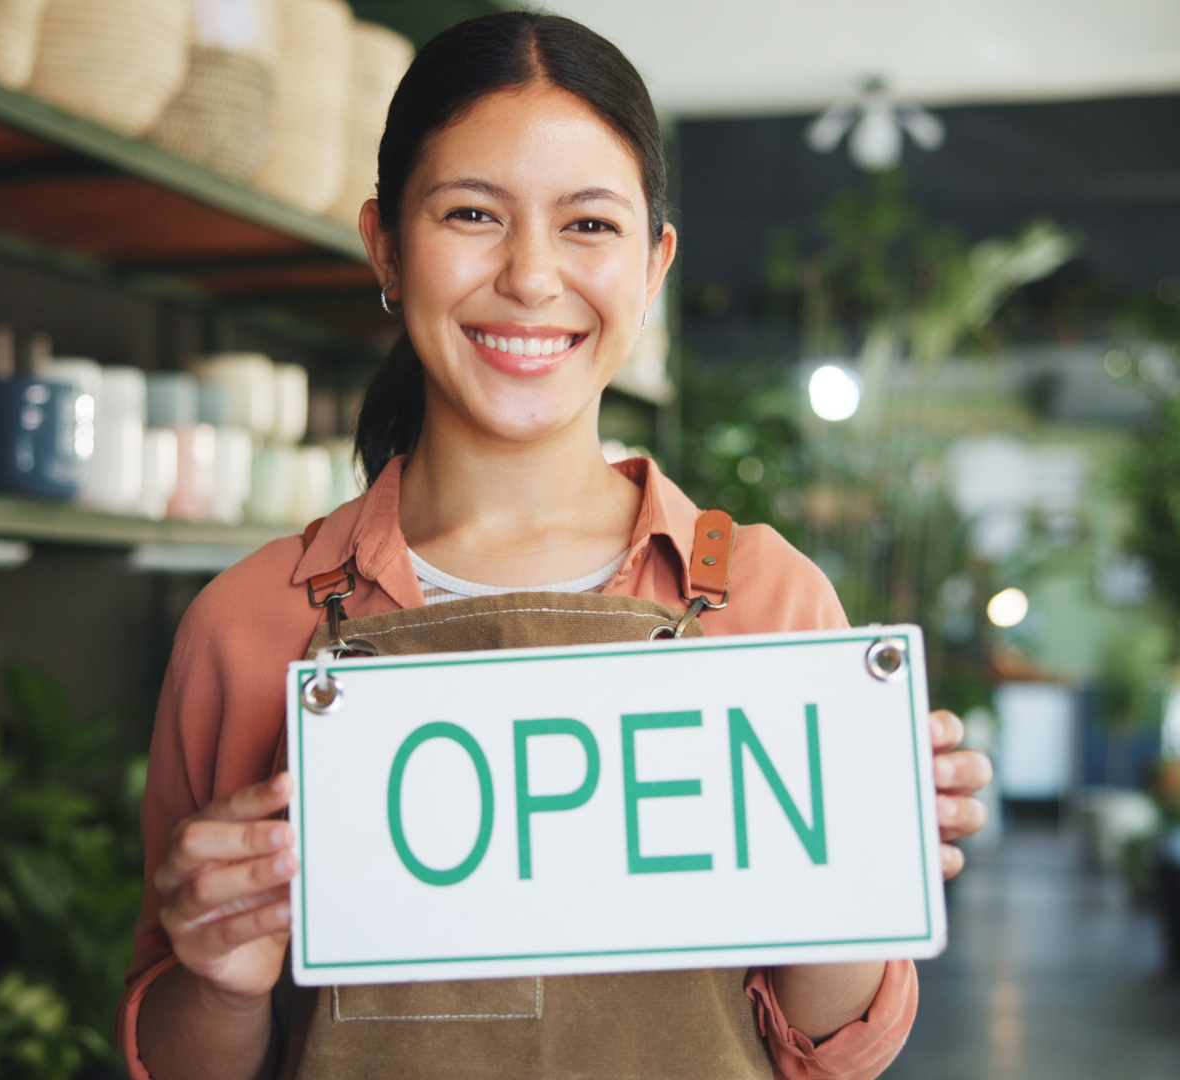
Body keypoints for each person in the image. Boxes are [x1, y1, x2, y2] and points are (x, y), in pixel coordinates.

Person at [121, 12, 992, 1080]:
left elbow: (829, 1054)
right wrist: (217, 977)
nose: (532, 277)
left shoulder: (770, 600)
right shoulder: (245, 629)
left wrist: (861, 865)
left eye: (589, 225)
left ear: (654, 263)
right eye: (474, 213)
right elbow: (176, 1059)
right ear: (386, 243)